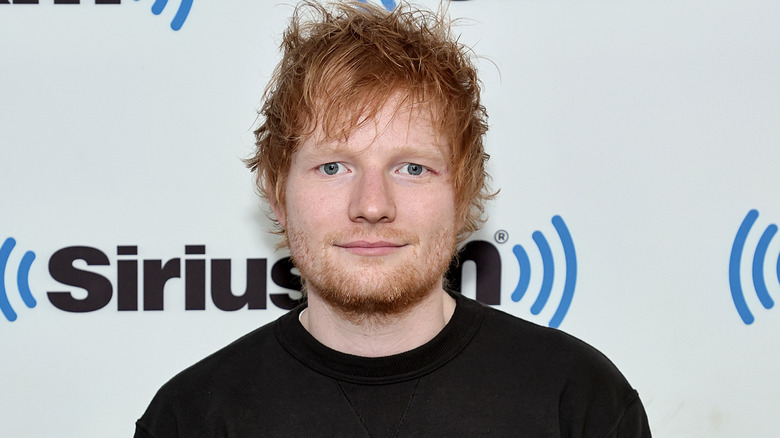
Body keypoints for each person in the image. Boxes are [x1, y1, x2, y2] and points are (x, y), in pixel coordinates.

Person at [134, 1, 651, 436]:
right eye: (333, 167)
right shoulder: (191, 418)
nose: (373, 205)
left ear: (464, 191)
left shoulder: (578, 401)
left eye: (412, 168)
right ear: (276, 194)